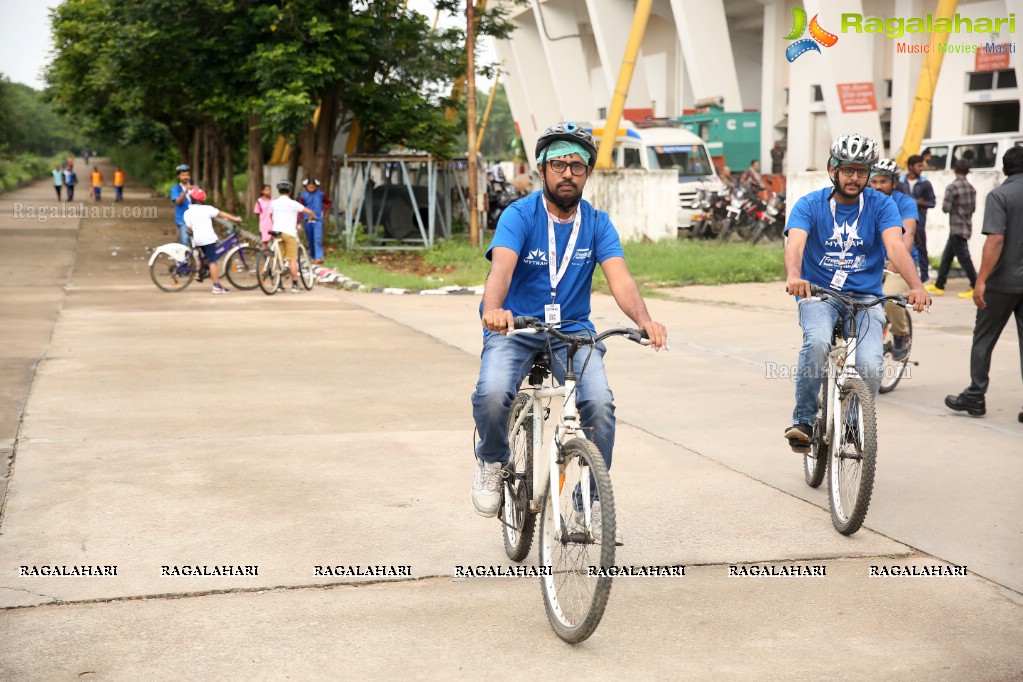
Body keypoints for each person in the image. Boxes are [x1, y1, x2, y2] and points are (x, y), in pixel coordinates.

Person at [469, 122, 668, 541]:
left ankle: (586, 501)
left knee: (599, 405)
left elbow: (621, 280)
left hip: (573, 330)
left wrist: (644, 320)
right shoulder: (519, 215)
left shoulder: (597, 224)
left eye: (577, 166)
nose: (567, 173)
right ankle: (491, 460)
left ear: (588, 173)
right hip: (516, 326)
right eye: (558, 164)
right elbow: (500, 269)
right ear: (541, 169)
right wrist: (493, 311)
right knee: (492, 394)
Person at [782, 134, 930, 451]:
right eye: (848, 170)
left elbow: (895, 246)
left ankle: (850, 426)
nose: (855, 178)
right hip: (819, 294)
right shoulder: (810, 204)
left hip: (865, 298)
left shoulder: (881, 205)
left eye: (861, 171)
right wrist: (794, 276)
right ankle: (804, 420)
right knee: (818, 342)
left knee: (872, 366)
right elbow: (794, 244)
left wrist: (916, 285)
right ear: (832, 169)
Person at [944, 146, 1023, 422]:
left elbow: (996, 239)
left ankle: (976, 396)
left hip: (1001, 283)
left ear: (1004, 169)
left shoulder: (1000, 195)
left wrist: (980, 281)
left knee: (984, 339)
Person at [868, 158, 919, 361]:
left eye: (883, 181)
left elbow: (908, 233)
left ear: (894, 183)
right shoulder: (865, 200)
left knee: (889, 298)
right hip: (870, 262)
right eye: (874, 181)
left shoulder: (905, 203)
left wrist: (896, 260)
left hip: (898, 264)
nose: (878, 186)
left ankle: (901, 334)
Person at [928, 159, 978, 299]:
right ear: (967, 171)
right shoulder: (972, 188)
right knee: (947, 257)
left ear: (955, 170)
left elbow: (945, 208)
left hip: (956, 227)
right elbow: (973, 209)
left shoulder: (952, 187)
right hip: (966, 227)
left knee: (964, 259)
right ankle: (939, 285)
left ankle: (976, 285)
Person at [182, 188, 243, 295]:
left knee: (205, 257)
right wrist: (235, 219)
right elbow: (221, 214)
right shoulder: (207, 209)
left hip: (197, 239)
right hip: (208, 238)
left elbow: (189, 227)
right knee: (212, 261)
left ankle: (201, 273)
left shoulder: (187, 212)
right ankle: (216, 286)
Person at [271, 180, 316, 293]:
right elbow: (309, 211)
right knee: (292, 259)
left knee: (279, 257)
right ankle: (295, 284)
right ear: (290, 191)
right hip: (289, 232)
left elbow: (271, 215)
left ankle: (279, 284)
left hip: (277, 232)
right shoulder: (293, 203)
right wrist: (313, 217)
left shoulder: (273, 203)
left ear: (278, 190)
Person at [898, 155, 936, 283]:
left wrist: (917, 202)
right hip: (901, 220)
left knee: (921, 247)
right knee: (902, 246)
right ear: (910, 167)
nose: (922, 168)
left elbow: (932, 203)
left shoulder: (925, 183)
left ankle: (924, 277)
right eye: (919, 165)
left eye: (922, 165)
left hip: (919, 221)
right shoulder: (900, 182)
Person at [298, 178, 326, 264]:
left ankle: (319, 257)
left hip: (318, 219)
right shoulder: (303, 196)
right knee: (310, 238)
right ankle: (313, 256)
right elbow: (300, 208)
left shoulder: (321, 194)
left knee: (317, 237)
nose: (311, 187)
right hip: (307, 219)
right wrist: (299, 221)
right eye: (309, 186)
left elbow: (328, 203)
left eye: (313, 186)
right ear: (306, 187)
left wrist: (323, 211)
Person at [170, 164, 195, 245]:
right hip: (182, 220)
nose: (185, 177)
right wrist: (186, 192)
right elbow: (177, 202)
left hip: (195, 220)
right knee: (185, 242)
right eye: (183, 175)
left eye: (187, 175)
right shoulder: (175, 188)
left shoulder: (195, 187)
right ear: (178, 176)